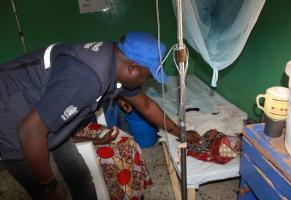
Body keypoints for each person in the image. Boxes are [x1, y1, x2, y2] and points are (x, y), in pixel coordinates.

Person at [0, 31, 201, 199]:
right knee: (51, 190)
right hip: (13, 120)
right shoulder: (86, 78)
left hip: (45, 118)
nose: (144, 83)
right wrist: (48, 186)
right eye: (146, 77)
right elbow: (30, 131)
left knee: (79, 176)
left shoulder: (115, 59)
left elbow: (146, 105)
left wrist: (178, 132)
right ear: (132, 68)